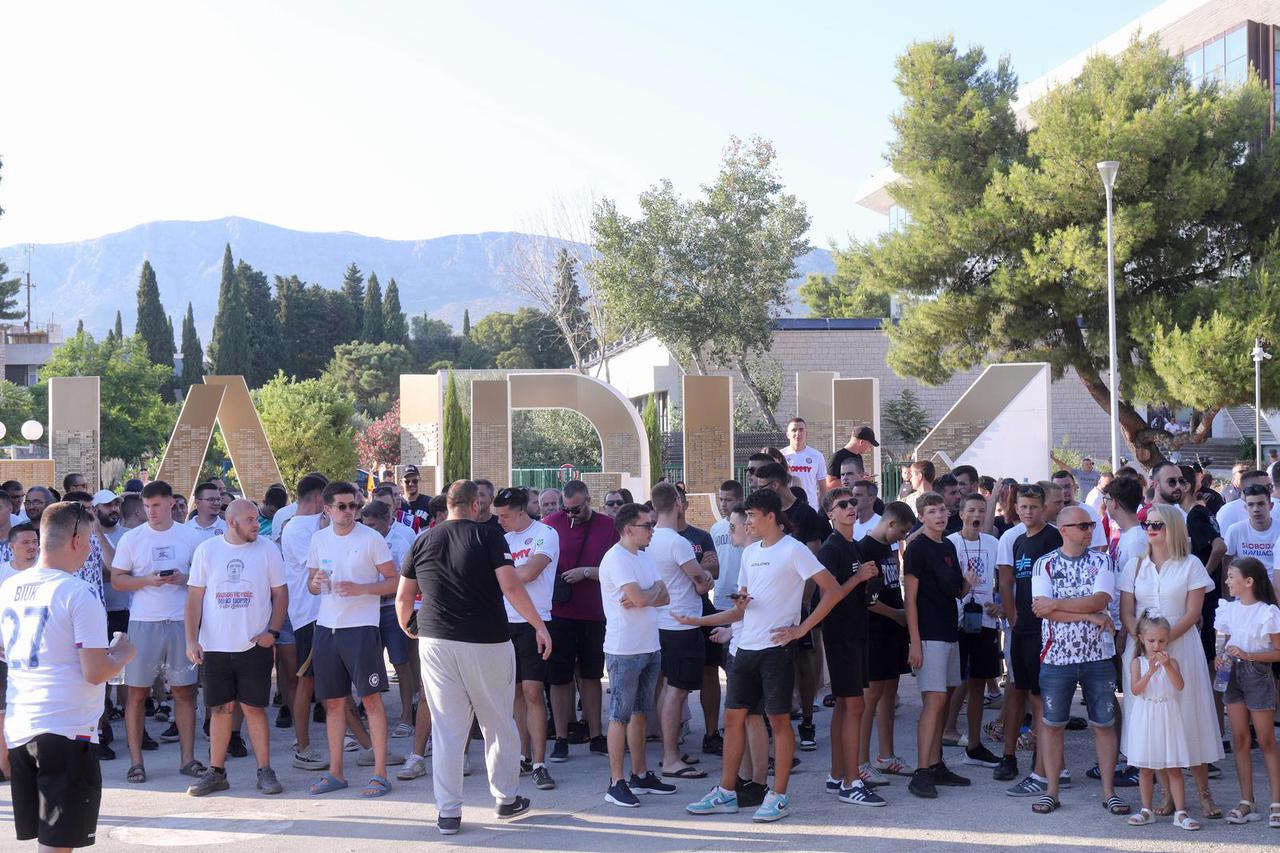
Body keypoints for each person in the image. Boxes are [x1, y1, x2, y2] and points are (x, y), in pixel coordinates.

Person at [396, 480, 551, 836]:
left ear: (447, 505)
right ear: (476, 505)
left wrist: (410, 626)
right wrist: (539, 625)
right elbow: (510, 585)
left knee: (448, 730)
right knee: (498, 721)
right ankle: (506, 797)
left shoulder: (423, 540)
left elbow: (404, 595)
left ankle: (448, 813)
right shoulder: (488, 536)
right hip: (487, 641)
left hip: (435, 641)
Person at [684, 488, 845, 822]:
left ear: (771, 517)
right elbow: (742, 608)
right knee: (733, 720)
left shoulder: (794, 550)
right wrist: (700, 620)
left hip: (777, 650)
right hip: (746, 649)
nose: (748, 524)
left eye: (753, 517)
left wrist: (801, 629)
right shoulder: (750, 552)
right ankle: (727, 793)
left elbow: (832, 591)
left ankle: (779, 795)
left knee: (779, 722)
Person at [0, 502, 136, 853]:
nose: (92, 548)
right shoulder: (78, 592)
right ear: (76, 539)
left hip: (21, 727)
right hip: (66, 728)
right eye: (90, 539)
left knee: (50, 842)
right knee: (58, 846)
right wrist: (122, 651)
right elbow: (95, 672)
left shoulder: (9, 588)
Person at [1118, 503, 1223, 820]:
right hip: (1141, 651)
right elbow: (1126, 611)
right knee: (1152, 723)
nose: (1150, 528)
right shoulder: (1134, 566)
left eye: (1158, 524)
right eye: (1147, 523)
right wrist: (1146, 645)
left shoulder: (1190, 564)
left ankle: (1204, 795)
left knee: (1190, 718)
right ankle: (1166, 796)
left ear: (1173, 528)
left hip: (1182, 650)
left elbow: (1194, 614)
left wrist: (1162, 641)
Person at [183, 499, 288, 797]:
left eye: (257, 518)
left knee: (255, 709)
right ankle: (216, 772)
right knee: (219, 709)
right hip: (215, 646)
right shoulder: (207, 550)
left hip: (255, 644)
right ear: (232, 522)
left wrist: (273, 632)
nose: (256, 524)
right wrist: (191, 640)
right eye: (250, 519)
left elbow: (281, 594)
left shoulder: (268, 549)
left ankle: (265, 771)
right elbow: (193, 599)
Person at [1028, 506, 1125, 816]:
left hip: (1098, 656)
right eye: (1082, 525)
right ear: (1063, 529)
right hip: (1056, 658)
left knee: (1104, 725)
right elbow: (1043, 611)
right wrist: (1087, 615)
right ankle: (1051, 791)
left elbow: (1101, 600)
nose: (1089, 530)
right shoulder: (1044, 564)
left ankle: (1108, 792)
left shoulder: (1103, 560)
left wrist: (1059, 603)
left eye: (1091, 525)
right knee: (1052, 725)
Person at [305, 481, 399, 799]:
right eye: (342, 506)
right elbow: (312, 585)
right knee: (333, 702)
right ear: (327, 509)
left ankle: (380, 773)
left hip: (361, 628)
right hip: (326, 628)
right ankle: (336, 772)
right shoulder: (318, 539)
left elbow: (395, 581)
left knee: (371, 698)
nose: (349, 512)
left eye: (353, 506)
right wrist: (315, 582)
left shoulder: (371, 538)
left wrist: (362, 589)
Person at [110, 481, 207, 783]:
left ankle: (188, 759)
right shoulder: (132, 539)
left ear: (171, 505)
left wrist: (183, 579)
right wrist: (147, 581)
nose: (151, 512)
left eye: (156, 506)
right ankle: (136, 762)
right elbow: (117, 580)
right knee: (137, 693)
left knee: (184, 691)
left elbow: (204, 579)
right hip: (143, 621)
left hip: (181, 621)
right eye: (146, 506)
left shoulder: (191, 537)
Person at [597, 502, 678, 807]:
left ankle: (640, 774)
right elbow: (643, 596)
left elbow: (662, 594)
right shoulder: (616, 559)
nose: (652, 531)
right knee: (620, 714)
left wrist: (648, 595)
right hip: (624, 649)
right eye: (647, 526)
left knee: (642, 713)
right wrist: (648, 595)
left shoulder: (643, 557)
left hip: (649, 645)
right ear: (629, 529)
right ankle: (616, 781)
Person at [903, 492, 975, 799]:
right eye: (932, 512)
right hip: (929, 635)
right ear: (921, 517)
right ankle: (921, 771)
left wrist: (968, 584)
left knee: (943, 700)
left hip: (949, 631)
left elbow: (955, 590)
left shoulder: (947, 545)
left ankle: (936, 764)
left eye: (942, 510)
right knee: (933, 702)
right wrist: (915, 642)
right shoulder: (917, 549)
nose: (940, 516)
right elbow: (911, 600)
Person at [816, 488, 885, 806]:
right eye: (841, 504)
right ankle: (851, 782)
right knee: (854, 706)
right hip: (841, 633)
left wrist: (870, 580)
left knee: (846, 707)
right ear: (830, 513)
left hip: (857, 630)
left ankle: (837, 775)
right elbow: (828, 596)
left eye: (852, 503)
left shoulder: (853, 545)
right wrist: (859, 580)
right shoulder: (831, 549)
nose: (849, 508)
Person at [995, 483, 1062, 792]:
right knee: (1018, 690)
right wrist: (1012, 616)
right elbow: (1007, 583)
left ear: (1044, 507)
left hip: (1045, 628)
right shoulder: (1017, 540)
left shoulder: (1054, 537)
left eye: (1034, 507)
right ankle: (1010, 756)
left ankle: (1044, 761)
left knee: (1039, 695)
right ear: (1016, 508)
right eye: (1023, 507)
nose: (1028, 512)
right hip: (1021, 628)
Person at [543, 480, 616, 760]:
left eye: (577, 509)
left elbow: (615, 568)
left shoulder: (607, 526)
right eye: (567, 509)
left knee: (591, 676)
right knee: (560, 679)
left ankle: (595, 733)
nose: (571, 514)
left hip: (594, 614)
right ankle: (561, 736)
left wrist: (587, 572)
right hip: (559, 613)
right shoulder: (552, 523)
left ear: (588, 501)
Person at [493, 486, 559, 790]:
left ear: (521, 512)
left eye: (505, 516)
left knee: (534, 692)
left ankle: (540, 762)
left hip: (536, 621)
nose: (501, 521)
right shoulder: (501, 539)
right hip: (505, 623)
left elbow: (531, 572)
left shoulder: (546, 534)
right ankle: (522, 754)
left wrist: (499, 574)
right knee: (514, 694)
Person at [648, 482, 713, 779]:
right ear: (677, 503)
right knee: (677, 690)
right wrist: (708, 575)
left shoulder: (649, 538)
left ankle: (669, 749)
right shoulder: (677, 541)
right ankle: (671, 757)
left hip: (661, 622)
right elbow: (700, 582)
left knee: (671, 688)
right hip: (681, 623)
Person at [1215, 557, 1280, 828]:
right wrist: (1221, 657)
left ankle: (1276, 802)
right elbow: (1222, 642)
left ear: (1249, 581)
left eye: (1232, 576)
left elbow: (1277, 652)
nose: (1228, 581)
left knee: (1265, 739)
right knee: (1240, 738)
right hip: (1233, 674)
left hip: (1257, 673)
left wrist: (1249, 655)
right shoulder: (1227, 609)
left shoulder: (1268, 612)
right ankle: (1246, 801)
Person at [858, 501, 917, 785]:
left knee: (889, 693)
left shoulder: (888, 549)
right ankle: (859, 761)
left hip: (894, 630)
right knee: (870, 698)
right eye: (903, 532)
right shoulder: (865, 549)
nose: (903, 537)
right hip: (875, 632)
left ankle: (886, 755)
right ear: (890, 523)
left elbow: (893, 587)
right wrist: (896, 614)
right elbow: (865, 599)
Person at [945, 493, 1003, 769]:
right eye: (971, 510)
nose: (976, 515)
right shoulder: (950, 543)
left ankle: (974, 745)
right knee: (952, 682)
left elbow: (1003, 578)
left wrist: (999, 605)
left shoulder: (993, 543)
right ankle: (940, 738)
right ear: (962, 514)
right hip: (957, 621)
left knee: (979, 681)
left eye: (981, 510)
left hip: (985, 620)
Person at [1124, 614, 1196, 829]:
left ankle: (1181, 812)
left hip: (1167, 714)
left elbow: (1179, 685)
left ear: (1167, 641)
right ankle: (1146, 810)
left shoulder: (1171, 661)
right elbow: (1135, 690)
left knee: (1173, 767)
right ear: (1141, 639)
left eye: (1162, 641)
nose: (1156, 645)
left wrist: (1167, 667)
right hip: (1146, 715)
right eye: (1151, 640)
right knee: (1146, 768)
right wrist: (1151, 671)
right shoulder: (1137, 662)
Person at [280, 473, 328, 771]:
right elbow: (319, 561)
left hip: (328, 614)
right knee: (306, 682)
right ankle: (303, 745)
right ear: (319, 498)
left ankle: (362, 741)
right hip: (309, 615)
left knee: (332, 684)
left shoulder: (319, 524)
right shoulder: (296, 529)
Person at [360, 500, 417, 741]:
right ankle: (373, 715)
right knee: (370, 666)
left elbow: (407, 581)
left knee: (401, 663)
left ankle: (406, 716)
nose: (369, 529)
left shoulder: (400, 543)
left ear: (387, 520)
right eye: (365, 525)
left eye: (373, 525)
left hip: (391, 610)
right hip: (367, 610)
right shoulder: (361, 540)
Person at [674, 490, 724, 757]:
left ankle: (712, 733)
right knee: (671, 680)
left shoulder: (700, 536)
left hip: (702, 609)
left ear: (686, 503)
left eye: (680, 500)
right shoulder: (656, 538)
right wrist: (696, 569)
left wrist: (700, 571)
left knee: (709, 671)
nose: (677, 505)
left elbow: (713, 569)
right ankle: (670, 735)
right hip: (671, 616)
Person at [1224, 483, 1280, 581]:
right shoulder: (1235, 530)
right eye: (1251, 505)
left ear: (1270, 506)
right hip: (1244, 590)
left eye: (1261, 504)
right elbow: (1226, 565)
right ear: (1245, 508)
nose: (1256, 509)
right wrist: (1227, 596)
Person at [782, 417, 825, 508]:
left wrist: (822, 508)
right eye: (794, 430)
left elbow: (823, 487)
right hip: (787, 507)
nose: (798, 433)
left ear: (806, 433)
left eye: (801, 430)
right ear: (787, 434)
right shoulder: (781, 455)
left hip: (810, 507)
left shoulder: (817, 456)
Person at [825, 426, 878, 492]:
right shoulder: (837, 457)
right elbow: (829, 485)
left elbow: (858, 479)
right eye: (870, 446)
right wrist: (858, 480)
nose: (870, 449)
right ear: (862, 442)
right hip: (843, 500)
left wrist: (865, 478)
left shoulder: (858, 456)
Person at [400, 465, 432, 532]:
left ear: (419, 480)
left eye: (415, 481)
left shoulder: (429, 502)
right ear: (401, 482)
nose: (411, 484)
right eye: (407, 481)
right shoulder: (397, 504)